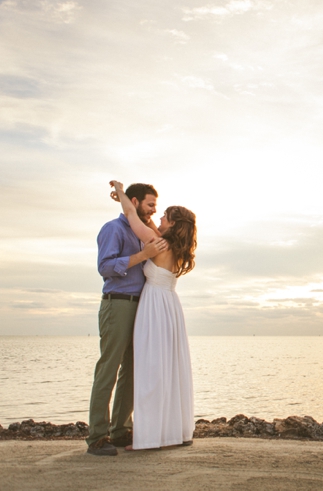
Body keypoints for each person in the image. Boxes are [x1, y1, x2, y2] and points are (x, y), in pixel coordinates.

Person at [109, 180, 197, 451]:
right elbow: (140, 218)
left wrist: (122, 193)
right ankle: (171, 431)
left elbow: (131, 216)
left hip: (155, 308)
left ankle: (149, 436)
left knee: (150, 370)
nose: (159, 218)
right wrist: (125, 200)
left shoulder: (156, 243)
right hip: (170, 307)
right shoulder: (179, 249)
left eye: (164, 217)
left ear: (171, 224)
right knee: (168, 369)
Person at [87, 183, 169, 456]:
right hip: (118, 304)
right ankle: (97, 436)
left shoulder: (141, 230)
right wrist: (142, 256)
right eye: (150, 205)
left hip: (141, 308)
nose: (154, 210)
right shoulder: (113, 229)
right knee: (108, 368)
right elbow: (106, 267)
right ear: (135, 202)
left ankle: (120, 430)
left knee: (133, 370)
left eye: (156, 206)